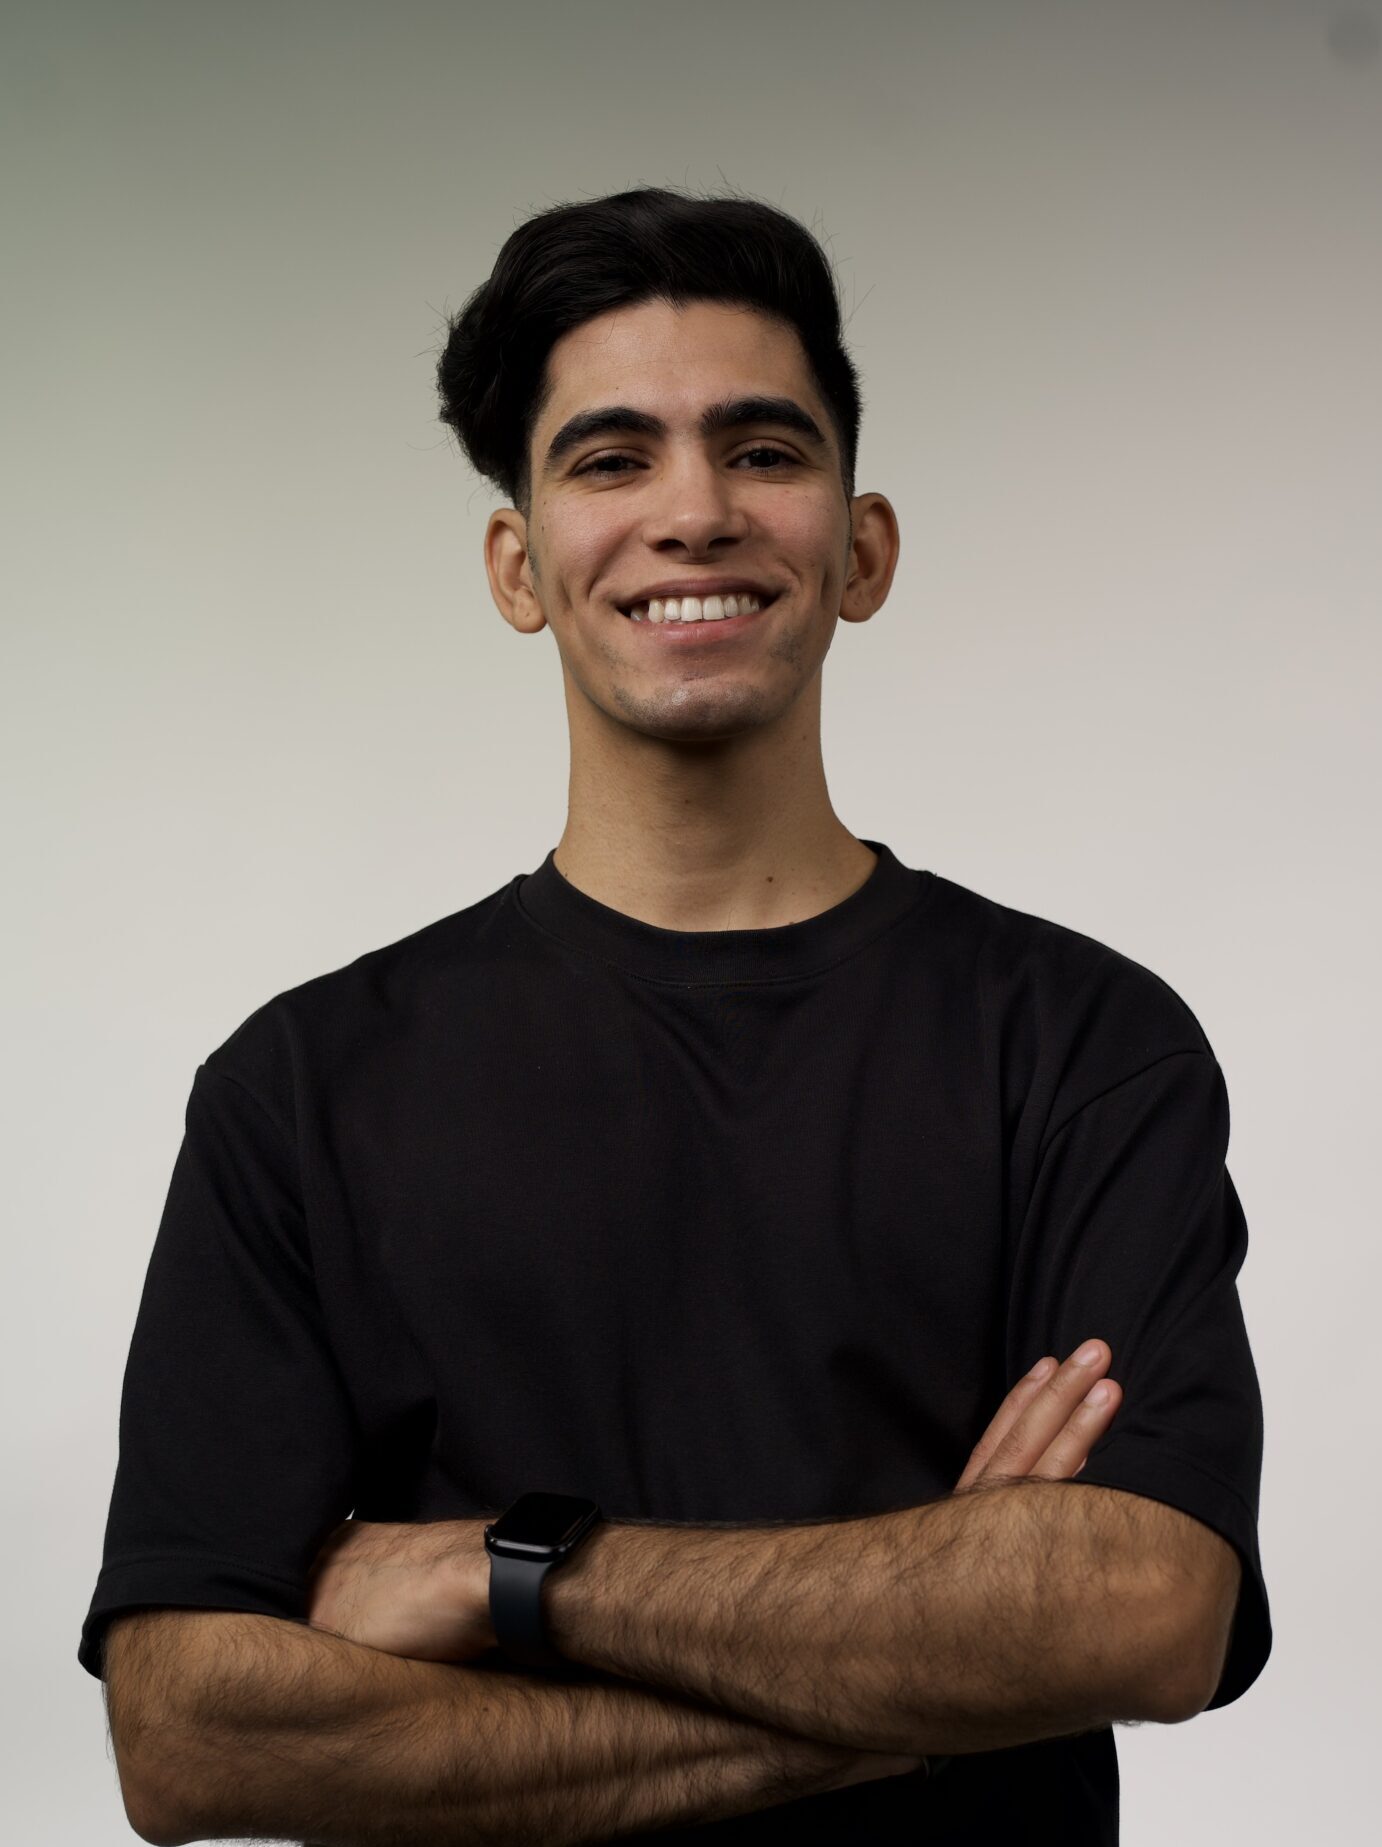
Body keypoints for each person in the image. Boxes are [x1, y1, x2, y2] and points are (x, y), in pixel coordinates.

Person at [79, 186, 1270, 1846]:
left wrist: (505, 1572)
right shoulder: (301, 1088)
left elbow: (1140, 1614)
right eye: (610, 459)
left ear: (861, 551)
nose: (694, 512)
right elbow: (193, 1738)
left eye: (762, 450)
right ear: (518, 567)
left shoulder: (1079, 1045)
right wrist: (930, 1667)